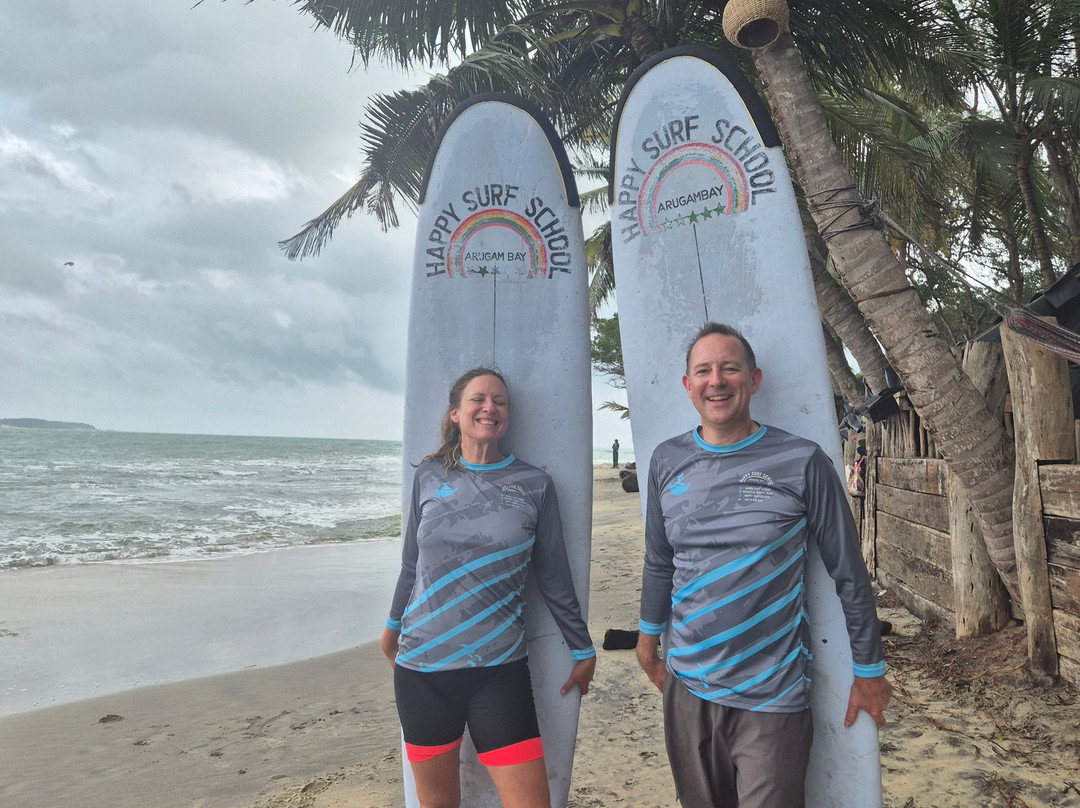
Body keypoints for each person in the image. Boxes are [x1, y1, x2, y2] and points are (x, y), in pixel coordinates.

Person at [635, 323, 891, 808]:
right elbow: (658, 559)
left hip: (772, 693)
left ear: (753, 380)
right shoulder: (666, 460)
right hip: (688, 687)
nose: (717, 381)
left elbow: (849, 573)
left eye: (730, 368)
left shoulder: (802, 461)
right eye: (704, 371)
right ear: (687, 386)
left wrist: (870, 668)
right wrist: (648, 640)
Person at [381, 367, 596, 808]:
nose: (490, 408)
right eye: (479, 399)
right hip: (421, 671)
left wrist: (582, 648)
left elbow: (553, 575)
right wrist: (390, 629)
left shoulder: (534, 485)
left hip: (497, 671)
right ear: (456, 413)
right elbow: (410, 565)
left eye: (499, 401)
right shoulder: (429, 477)